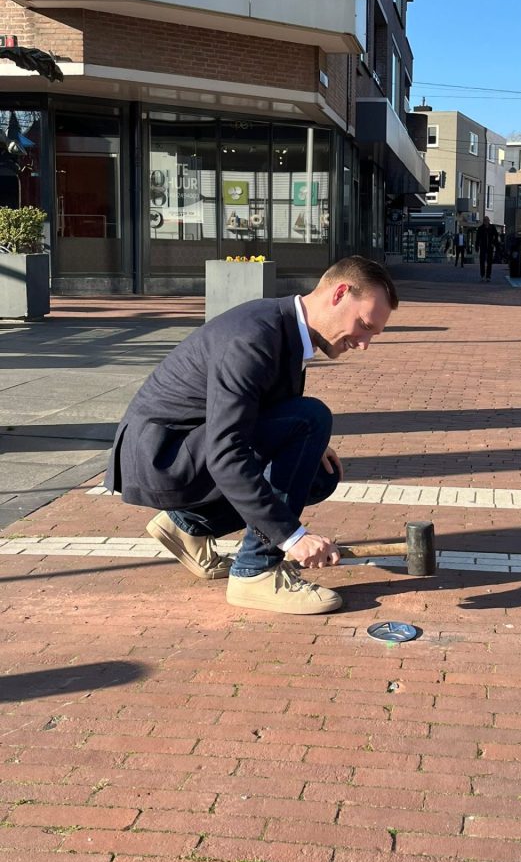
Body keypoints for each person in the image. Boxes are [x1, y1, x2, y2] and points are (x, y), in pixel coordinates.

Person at [104, 256, 397, 616]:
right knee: (312, 418)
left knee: (320, 473)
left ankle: (186, 526)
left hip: (186, 446)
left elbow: (256, 413)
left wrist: (304, 444)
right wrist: (292, 538)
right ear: (339, 294)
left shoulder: (285, 327)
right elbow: (227, 452)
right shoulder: (254, 336)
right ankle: (256, 572)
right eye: (364, 325)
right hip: (161, 456)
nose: (365, 342)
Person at [475, 215, 499, 282]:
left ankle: (488, 276)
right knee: (482, 261)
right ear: (484, 221)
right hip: (483, 246)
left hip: (490, 247)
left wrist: (494, 243)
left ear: (489, 221)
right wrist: (477, 246)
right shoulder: (480, 228)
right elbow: (477, 238)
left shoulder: (492, 227)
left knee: (489, 262)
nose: (486, 222)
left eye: (487, 220)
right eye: (485, 220)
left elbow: (496, 235)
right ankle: (482, 275)